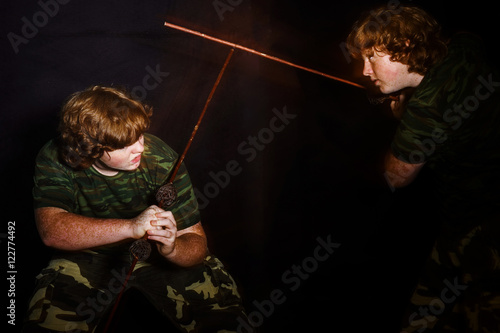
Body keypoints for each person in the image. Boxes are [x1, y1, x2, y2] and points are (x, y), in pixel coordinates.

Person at [23, 85, 250, 332]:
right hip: (88, 255)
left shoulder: (162, 160)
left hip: (157, 258)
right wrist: (132, 227)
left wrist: (172, 248)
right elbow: (52, 230)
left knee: (227, 323)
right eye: (123, 145)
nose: (140, 148)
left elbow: (196, 243)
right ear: (88, 146)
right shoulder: (55, 157)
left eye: (139, 136)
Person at [346, 5, 500, 332]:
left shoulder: (425, 110)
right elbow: (470, 39)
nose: (364, 71)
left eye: (372, 57)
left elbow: (396, 176)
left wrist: (402, 115)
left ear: (403, 48)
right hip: (465, 223)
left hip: (480, 231)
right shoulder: (460, 48)